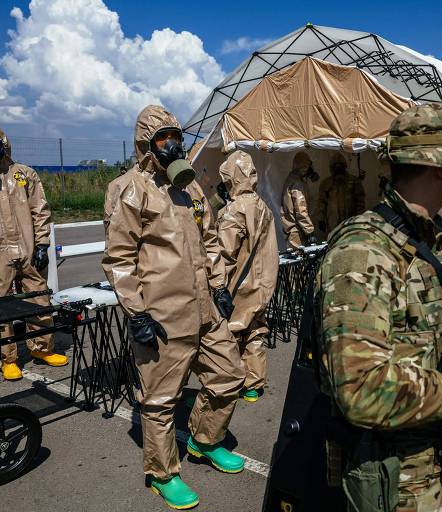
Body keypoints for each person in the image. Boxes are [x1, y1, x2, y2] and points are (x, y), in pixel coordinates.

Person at [317, 103, 442, 510]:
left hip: (440, 464)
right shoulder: (364, 254)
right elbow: (360, 391)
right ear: (440, 168)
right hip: (399, 486)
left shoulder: (426, 242)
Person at [102, 105, 246, 510]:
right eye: (162, 139)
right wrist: (136, 312)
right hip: (162, 317)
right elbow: (119, 258)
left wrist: (218, 287)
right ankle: (162, 473)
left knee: (229, 375)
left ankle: (205, 440)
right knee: (161, 400)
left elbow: (211, 240)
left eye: (176, 137)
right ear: (146, 145)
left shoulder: (191, 188)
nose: (172, 145)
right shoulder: (130, 189)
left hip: (204, 311)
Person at [0, 121, 67, 381]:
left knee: (39, 300)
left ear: (4, 145)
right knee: (1, 309)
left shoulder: (25, 174)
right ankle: (8, 359)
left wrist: (42, 244)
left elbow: (40, 211)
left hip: (29, 250)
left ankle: (42, 349)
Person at [216, 150, 279, 403]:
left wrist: (216, 284)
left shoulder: (233, 211)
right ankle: (253, 385)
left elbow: (223, 254)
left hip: (238, 286)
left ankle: (227, 384)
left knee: (229, 334)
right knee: (256, 332)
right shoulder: (263, 206)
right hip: (263, 283)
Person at [317, 151, 366, 235]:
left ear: (345, 166)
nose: (338, 168)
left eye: (340, 166)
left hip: (350, 220)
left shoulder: (353, 181)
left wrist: (360, 218)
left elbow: (360, 201)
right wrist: (321, 219)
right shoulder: (326, 183)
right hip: (333, 222)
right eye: (336, 166)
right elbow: (321, 202)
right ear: (332, 168)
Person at [280, 151, 319, 250]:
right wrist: (310, 231)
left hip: (292, 229)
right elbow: (300, 210)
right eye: (308, 166)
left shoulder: (292, 179)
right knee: (300, 261)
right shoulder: (297, 183)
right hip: (297, 231)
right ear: (304, 166)